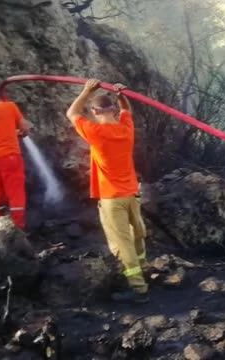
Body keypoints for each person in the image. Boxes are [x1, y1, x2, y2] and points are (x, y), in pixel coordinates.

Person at [65, 79, 148, 304]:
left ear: (94, 111)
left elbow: (71, 112)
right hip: (131, 193)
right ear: (111, 109)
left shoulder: (95, 132)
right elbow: (126, 110)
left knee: (122, 243)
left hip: (112, 198)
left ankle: (138, 289)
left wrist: (86, 91)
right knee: (137, 233)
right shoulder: (126, 129)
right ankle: (143, 269)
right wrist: (120, 94)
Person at [0, 97, 32, 230]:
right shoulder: (10, 106)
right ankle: (17, 227)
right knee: (15, 192)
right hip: (9, 156)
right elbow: (25, 127)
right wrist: (23, 131)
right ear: (2, 98)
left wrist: (12, 133)